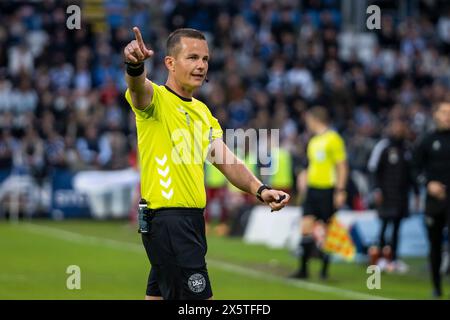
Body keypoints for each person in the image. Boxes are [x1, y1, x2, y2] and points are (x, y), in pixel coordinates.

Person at [123, 27, 290, 300]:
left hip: (188, 222)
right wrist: (134, 65)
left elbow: (226, 161)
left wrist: (261, 189)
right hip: (169, 221)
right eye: (192, 58)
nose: (201, 65)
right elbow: (138, 89)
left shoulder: (202, 112)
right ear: (170, 63)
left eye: (205, 59)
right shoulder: (156, 100)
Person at [291, 106, 348, 280]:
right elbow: (311, 165)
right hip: (313, 190)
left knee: (327, 229)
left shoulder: (334, 139)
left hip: (328, 190)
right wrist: (304, 179)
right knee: (306, 227)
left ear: (316, 119)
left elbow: (342, 166)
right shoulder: (314, 141)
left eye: (308, 120)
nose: (307, 123)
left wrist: (340, 190)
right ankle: (303, 270)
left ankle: (324, 271)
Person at [367, 118, 419, 272]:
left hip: (402, 195)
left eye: (402, 127)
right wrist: (376, 190)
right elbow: (373, 169)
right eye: (396, 127)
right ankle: (381, 259)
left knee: (397, 227)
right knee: (384, 226)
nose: (399, 130)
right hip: (385, 194)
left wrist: (416, 193)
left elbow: (412, 173)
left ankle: (394, 259)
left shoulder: (408, 148)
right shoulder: (383, 146)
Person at [412, 101, 450, 298]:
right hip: (434, 202)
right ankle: (436, 287)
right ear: (435, 114)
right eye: (444, 112)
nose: (447, 116)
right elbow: (415, 169)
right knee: (434, 245)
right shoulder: (427, 140)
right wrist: (428, 184)